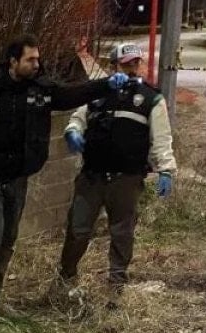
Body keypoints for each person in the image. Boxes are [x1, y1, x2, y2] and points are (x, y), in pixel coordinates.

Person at [0, 34, 128, 310]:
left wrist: (105, 85)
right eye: (30, 59)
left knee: (8, 238)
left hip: (18, 177)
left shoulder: (40, 91)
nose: (36, 64)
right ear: (13, 62)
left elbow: (72, 94)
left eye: (38, 59)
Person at [56, 42, 177, 292]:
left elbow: (162, 138)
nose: (131, 69)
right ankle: (66, 276)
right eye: (125, 65)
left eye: (135, 63)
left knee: (122, 232)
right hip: (92, 176)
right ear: (113, 66)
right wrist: (72, 131)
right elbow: (78, 118)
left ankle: (117, 283)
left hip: (126, 178)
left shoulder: (151, 99)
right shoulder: (97, 94)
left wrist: (166, 169)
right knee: (78, 229)